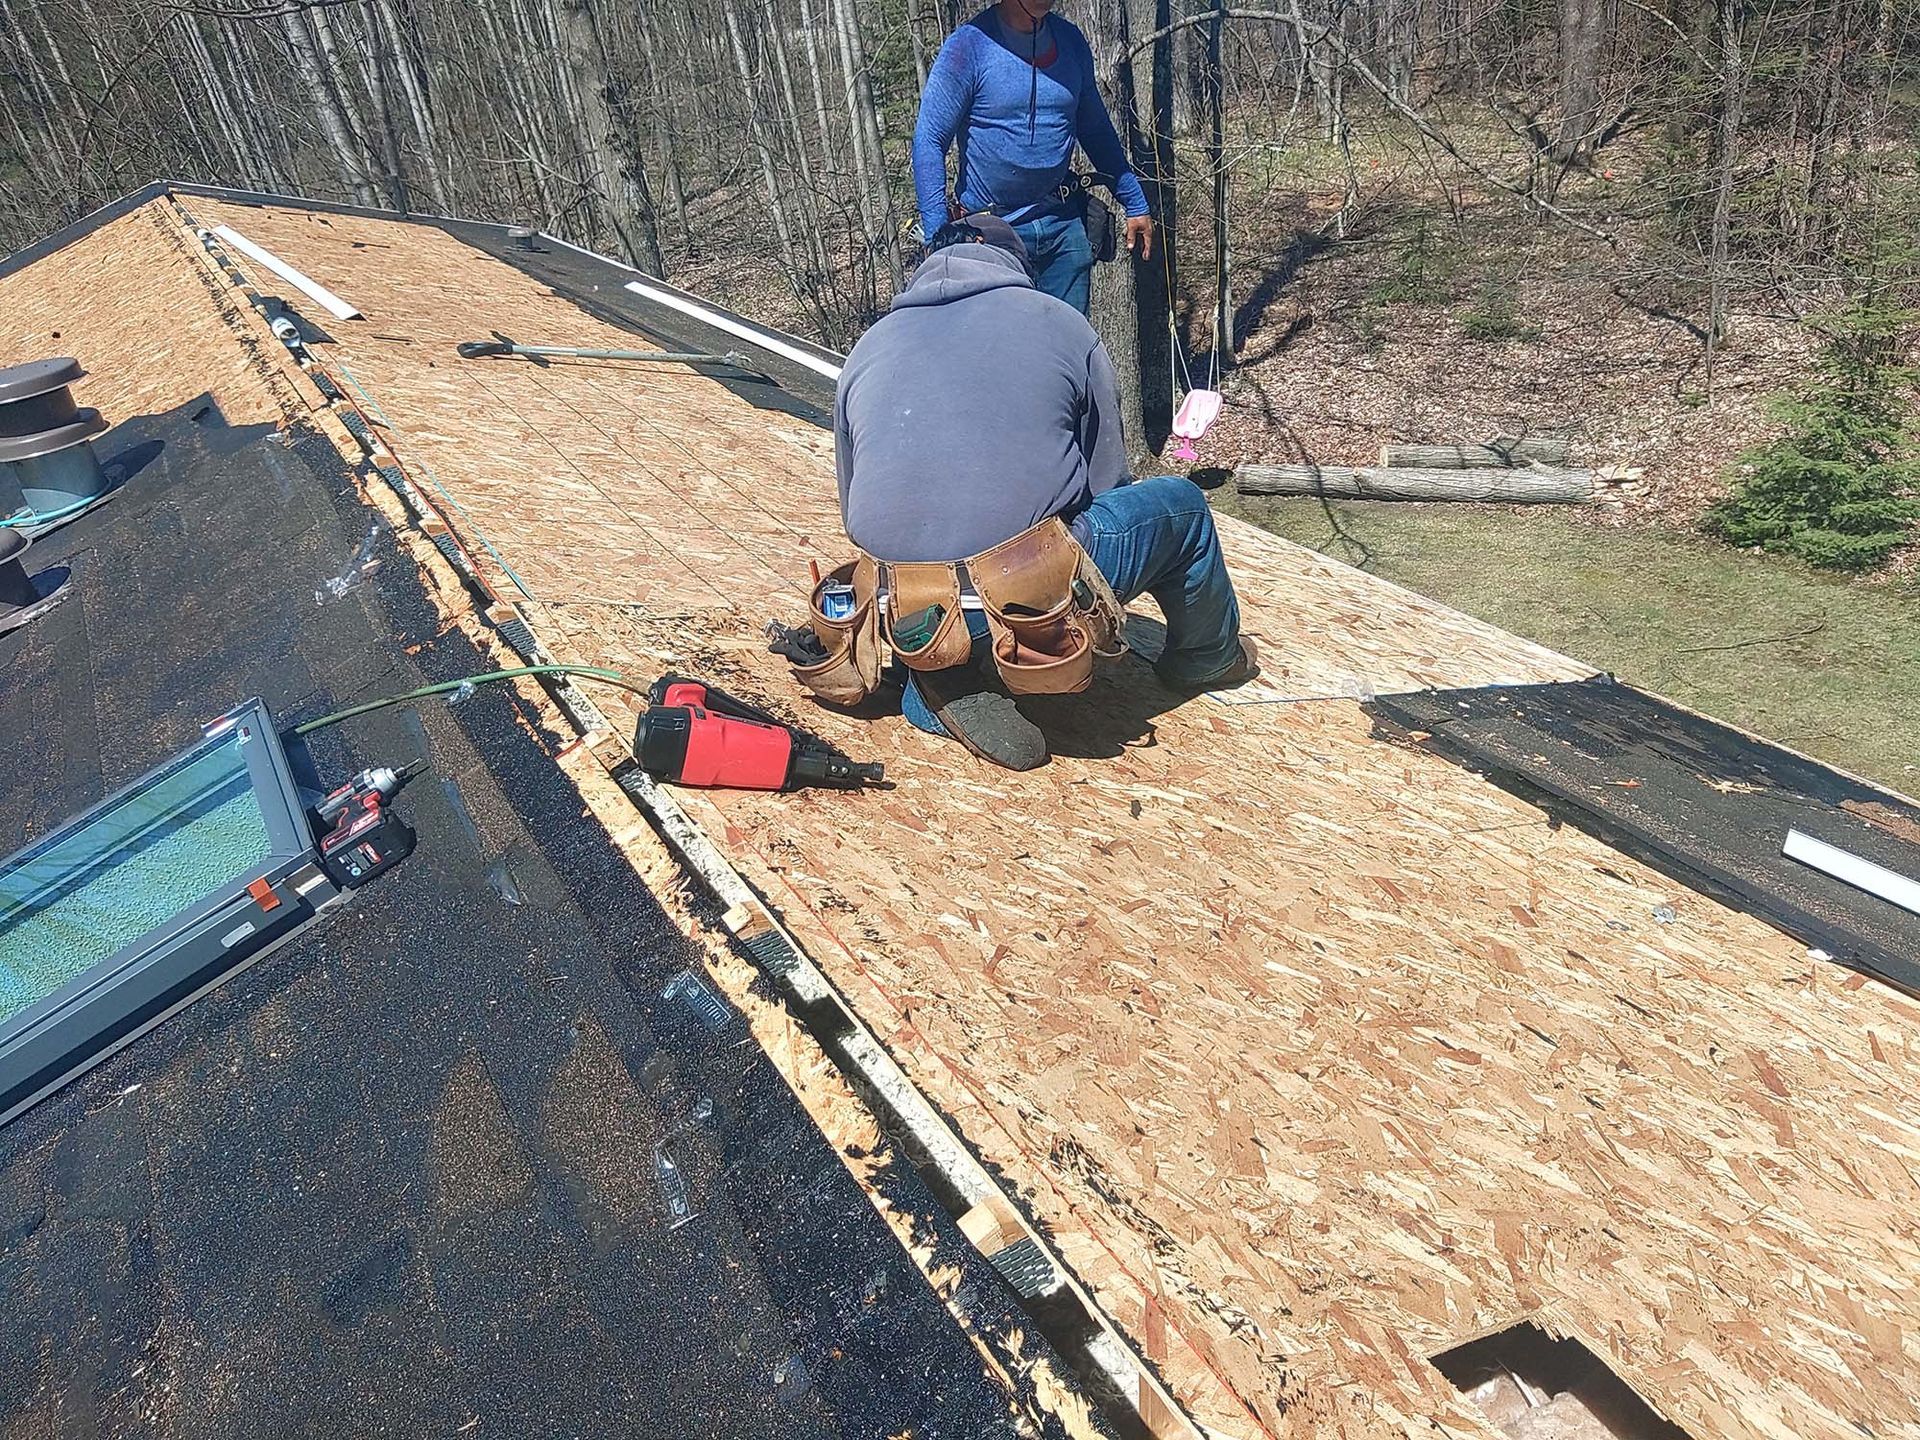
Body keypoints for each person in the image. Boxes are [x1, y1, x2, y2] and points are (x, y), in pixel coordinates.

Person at [834, 215, 1256, 770]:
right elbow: (1106, 481)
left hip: (897, 601)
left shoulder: (867, 345)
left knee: (954, 564)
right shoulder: (1059, 323)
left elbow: (853, 507)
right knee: (1183, 507)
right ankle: (1204, 657)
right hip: (1012, 591)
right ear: (1017, 266)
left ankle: (937, 674)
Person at [911, 0, 1154, 316]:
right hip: (991, 234)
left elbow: (1095, 129)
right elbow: (929, 140)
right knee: (1002, 355)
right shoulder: (968, 47)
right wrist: (936, 237)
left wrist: (1134, 202)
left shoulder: (1070, 41)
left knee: (1065, 349)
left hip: (1062, 226)